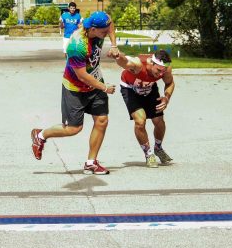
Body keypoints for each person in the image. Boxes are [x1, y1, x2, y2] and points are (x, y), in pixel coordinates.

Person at [31, 10, 118, 175]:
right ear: (92, 29)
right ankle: (41, 135)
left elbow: (111, 24)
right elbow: (82, 76)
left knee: (102, 120)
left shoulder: (99, 27)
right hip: (76, 87)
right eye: (103, 32)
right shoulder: (77, 45)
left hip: (95, 82)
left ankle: (91, 162)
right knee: (73, 128)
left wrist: (114, 46)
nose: (106, 34)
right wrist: (105, 88)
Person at [108, 48, 175, 168]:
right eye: (158, 70)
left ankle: (158, 148)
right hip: (130, 89)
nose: (160, 74)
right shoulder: (138, 64)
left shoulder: (165, 69)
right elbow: (125, 62)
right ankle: (148, 154)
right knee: (140, 121)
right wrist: (118, 55)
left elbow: (169, 83)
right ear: (151, 63)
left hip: (150, 89)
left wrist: (166, 97)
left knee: (159, 121)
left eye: (163, 71)